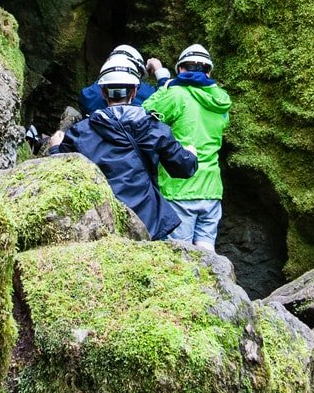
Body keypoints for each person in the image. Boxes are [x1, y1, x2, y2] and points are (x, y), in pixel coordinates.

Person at [45, 57, 197, 240]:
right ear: (134, 91)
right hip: (147, 222)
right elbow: (184, 168)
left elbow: (60, 177)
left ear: (103, 92)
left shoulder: (80, 132)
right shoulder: (154, 128)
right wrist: (191, 155)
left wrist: (54, 149)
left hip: (102, 223)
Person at [143, 44, 231, 252]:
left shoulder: (176, 96)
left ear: (180, 69)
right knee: (207, 255)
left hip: (180, 188)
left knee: (180, 257)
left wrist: (165, 85)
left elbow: (145, 113)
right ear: (209, 72)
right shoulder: (221, 101)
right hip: (211, 190)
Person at [78, 43, 155, 117]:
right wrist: (160, 72)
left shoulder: (87, 94)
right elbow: (164, 98)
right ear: (134, 92)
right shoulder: (148, 93)